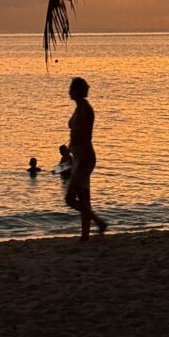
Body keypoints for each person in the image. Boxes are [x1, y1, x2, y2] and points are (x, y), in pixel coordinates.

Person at [65, 77, 107, 241]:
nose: (69, 92)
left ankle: (99, 222)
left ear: (77, 91)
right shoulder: (79, 108)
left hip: (84, 157)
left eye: (71, 89)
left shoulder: (85, 109)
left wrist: (79, 159)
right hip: (78, 157)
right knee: (83, 198)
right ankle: (85, 236)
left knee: (70, 198)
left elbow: (85, 136)